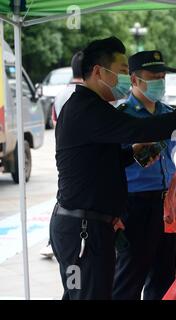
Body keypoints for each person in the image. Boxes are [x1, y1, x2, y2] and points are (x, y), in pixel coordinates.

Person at [50, 36, 176, 300]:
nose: (124, 79)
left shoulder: (93, 108)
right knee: (88, 294)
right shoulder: (86, 109)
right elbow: (146, 128)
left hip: (98, 224)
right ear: (97, 71)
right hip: (82, 228)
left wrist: (132, 155)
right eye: (120, 72)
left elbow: (101, 163)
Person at [112, 51, 176, 300]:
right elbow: (113, 162)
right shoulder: (122, 117)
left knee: (164, 277)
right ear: (134, 80)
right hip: (136, 204)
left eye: (163, 76)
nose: (160, 82)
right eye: (153, 76)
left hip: (168, 202)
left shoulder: (169, 113)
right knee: (130, 276)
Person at [40, 51, 84, 259]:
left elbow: (56, 122)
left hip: (64, 154)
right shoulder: (87, 96)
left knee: (63, 195)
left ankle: (52, 241)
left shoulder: (61, 94)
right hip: (80, 158)